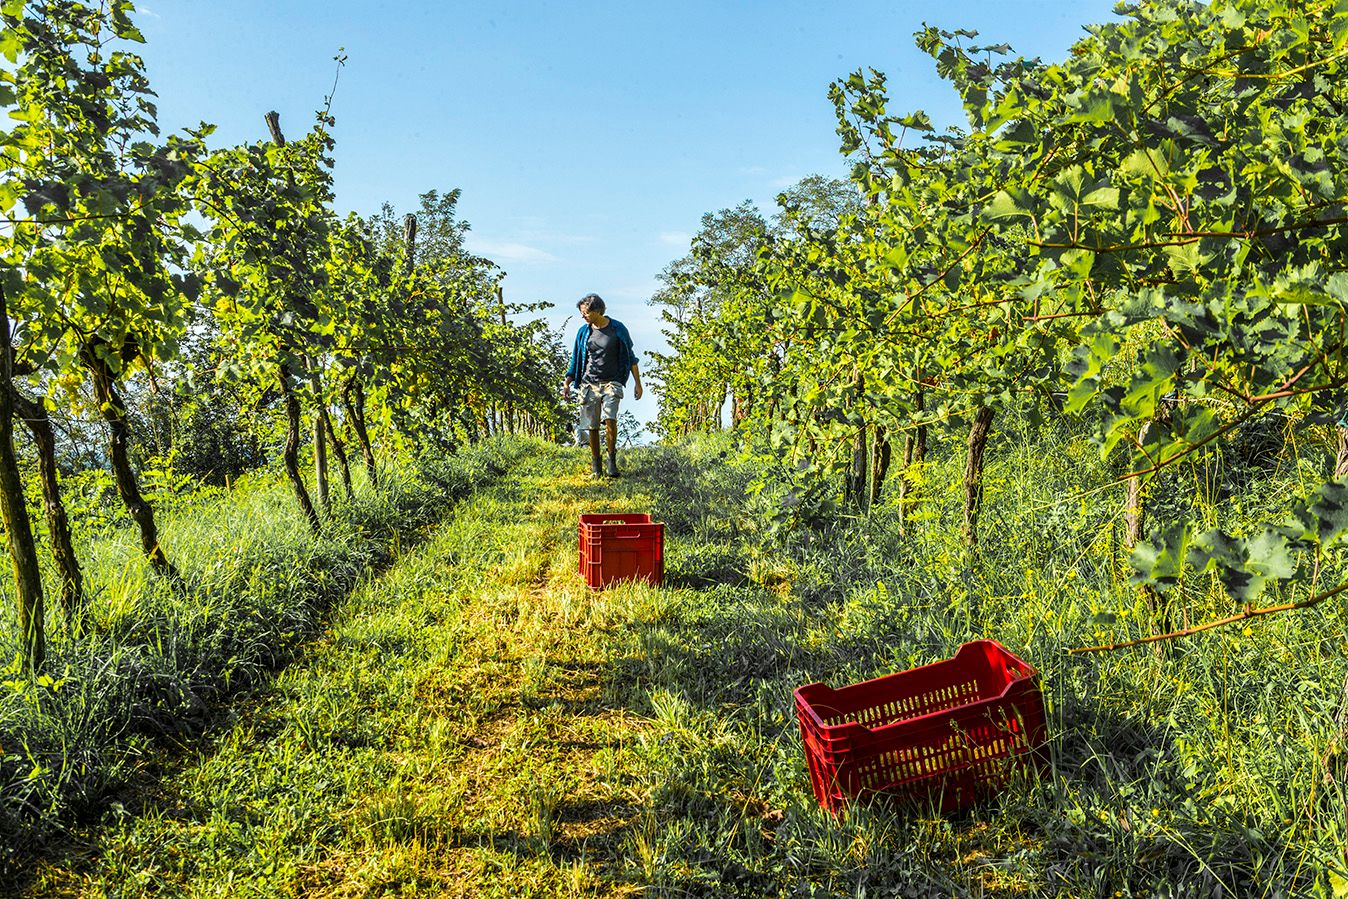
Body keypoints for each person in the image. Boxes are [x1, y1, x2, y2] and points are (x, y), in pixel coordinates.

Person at [562, 293, 643, 477]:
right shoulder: (583, 332)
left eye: (586, 313)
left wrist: (638, 384)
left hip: (612, 382)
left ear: (598, 310)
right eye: (582, 313)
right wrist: (567, 383)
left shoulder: (618, 329)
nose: (583, 316)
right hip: (589, 384)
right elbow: (575, 360)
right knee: (592, 426)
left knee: (610, 418)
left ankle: (611, 462)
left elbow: (631, 358)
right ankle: (596, 466)